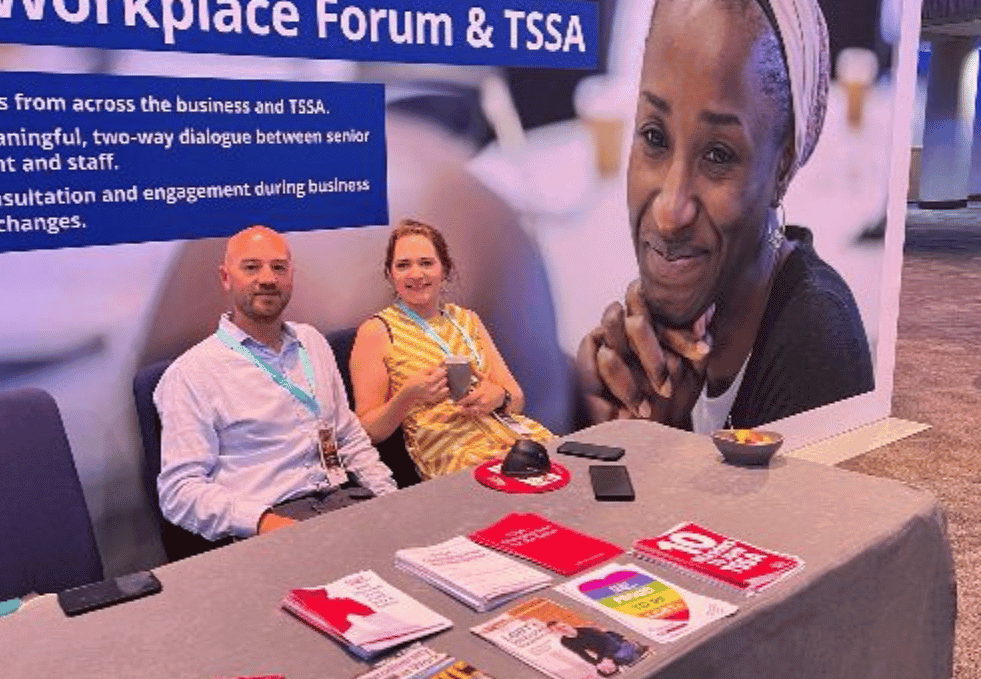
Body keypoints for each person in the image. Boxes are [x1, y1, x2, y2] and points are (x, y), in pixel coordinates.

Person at [576, 0, 873, 433]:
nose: (669, 211)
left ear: (782, 168)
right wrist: (644, 426)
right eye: (654, 137)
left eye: (719, 154)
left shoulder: (815, 348)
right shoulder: (670, 341)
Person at [154, 225, 397, 541]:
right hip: (269, 520)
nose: (268, 279)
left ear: (291, 278)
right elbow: (179, 491)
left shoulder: (312, 342)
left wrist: (389, 498)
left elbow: (347, 435)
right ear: (226, 278)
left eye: (278, 268)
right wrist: (264, 523)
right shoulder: (192, 373)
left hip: (345, 501)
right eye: (251, 267)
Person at [349, 219, 553, 479]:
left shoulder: (467, 319)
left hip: (517, 441)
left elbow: (517, 397)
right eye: (403, 265)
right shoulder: (376, 331)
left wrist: (498, 397)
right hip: (456, 458)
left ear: (444, 269)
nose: (416, 274)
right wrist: (408, 395)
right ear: (390, 275)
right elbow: (367, 430)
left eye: (426, 263)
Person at [546, 621, 647, 677]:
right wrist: (597, 664)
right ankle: (620, 665)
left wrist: (608, 659)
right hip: (603, 653)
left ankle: (637, 647)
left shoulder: (588, 630)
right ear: (556, 633)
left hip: (617, 645)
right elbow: (582, 654)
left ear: (567, 624)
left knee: (621, 657)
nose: (562, 629)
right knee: (602, 671)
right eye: (557, 630)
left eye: (562, 626)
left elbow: (611, 643)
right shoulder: (565, 641)